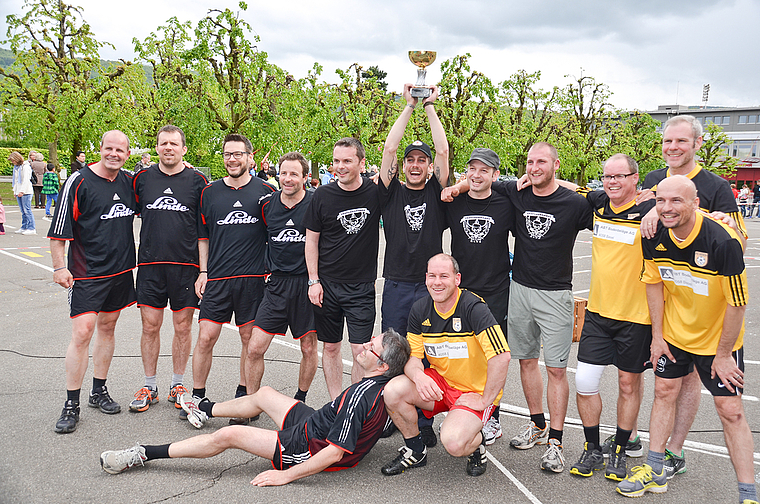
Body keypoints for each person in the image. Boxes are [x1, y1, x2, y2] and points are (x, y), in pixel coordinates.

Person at [100, 329, 411, 486]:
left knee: (230, 435)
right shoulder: (387, 388)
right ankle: (204, 409)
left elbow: (335, 453)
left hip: (307, 445)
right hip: (317, 423)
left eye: (372, 346)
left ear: (381, 365)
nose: (365, 345)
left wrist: (285, 477)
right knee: (264, 393)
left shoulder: (362, 395)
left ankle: (143, 453)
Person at [616, 175, 756, 503]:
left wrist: (723, 355)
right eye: (661, 200)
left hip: (718, 341)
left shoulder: (723, 241)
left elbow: (737, 304)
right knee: (663, 392)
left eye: (676, 201)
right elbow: (653, 284)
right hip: (675, 336)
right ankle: (654, 470)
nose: (667, 208)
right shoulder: (653, 235)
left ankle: (748, 493)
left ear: (695, 203)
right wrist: (658, 337)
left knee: (731, 410)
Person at [640, 115, 747, 478]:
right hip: (669, 298)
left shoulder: (716, 185)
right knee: (667, 385)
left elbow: (739, 241)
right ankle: (660, 454)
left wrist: (725, 223)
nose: (672, 147)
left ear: (697, 144)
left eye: (681, 142)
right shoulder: (655, 180)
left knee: (688, 384)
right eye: (668, 141)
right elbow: (640, 210)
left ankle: (675, 449)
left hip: (703, 303)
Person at [551, 154, 653, 481]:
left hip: (636, 318)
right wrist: (537, 179)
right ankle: (592, 447)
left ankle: (621, 449)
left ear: (635, 179)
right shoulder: (599, 204)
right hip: (597, 313)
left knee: (628, 383)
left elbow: (687, 210)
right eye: (607, 176)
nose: (612, 182)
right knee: (584, 381)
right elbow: (574, 188)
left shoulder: (650, 211)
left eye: (619, 177)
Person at [499, 142, 593, 473]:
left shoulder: (573, 202)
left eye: (541, 162)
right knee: (525, 361)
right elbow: (480, 180)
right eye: (529, 162)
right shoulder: (517, 193)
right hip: (520, 289)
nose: (534, 167)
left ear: (556, 164)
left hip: (556, 295)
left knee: (555, 369)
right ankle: (537, 424)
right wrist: (455, 186)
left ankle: (556, 440)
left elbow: (611, 206)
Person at [380, 253, 510, 477]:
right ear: (426, 278)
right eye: (432, 276)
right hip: (441, 384)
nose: (437, 282)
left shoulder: (473, 308)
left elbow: (502, 357)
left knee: (454, 443)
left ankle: (476, 445)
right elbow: (413, 359)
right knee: (393, 391)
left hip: (472, 390)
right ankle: (415, 450)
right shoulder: (421, 309)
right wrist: (419, 377)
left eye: (444, 276)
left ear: (457, 279)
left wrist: (486, 399)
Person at [181, 133, 275, 426]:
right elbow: (203, 237)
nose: (231, 159)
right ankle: (197, 397)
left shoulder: (266, 191)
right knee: (206, 337)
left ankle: (247, 399)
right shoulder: (210, 193)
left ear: (249, 157)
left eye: (237, 154)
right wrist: (204, 272)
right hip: (218, 280)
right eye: (227, 154)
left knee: (249, 340)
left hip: (253, 279)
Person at [48, 130, 137, 433]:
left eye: (120, 150)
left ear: (127, 154)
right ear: (99, 149)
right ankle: (71, 403)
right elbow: (58, 232)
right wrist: (60, 267)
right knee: (83, 332)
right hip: (87, 273)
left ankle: (98, 391)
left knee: (108, 328)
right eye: (108, 148)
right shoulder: (78, 181)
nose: (114, 154)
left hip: (121, 271)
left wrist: (186, 167)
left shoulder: (129, 182)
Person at [377, 84, 450, 446]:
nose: (417, 164)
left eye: (421, 160)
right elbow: (389, 147)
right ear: (404, 165)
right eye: (411, 160)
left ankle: (424, 419)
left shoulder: (437, 193)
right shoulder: (390, 191)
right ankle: (392, 412)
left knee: (426, 353)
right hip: (396, 282)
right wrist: (409, 107)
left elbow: (443, 149)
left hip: (429, 286)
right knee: (393, 350)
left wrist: (431, 107)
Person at [129, 125, 209, 415]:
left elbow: (205, 230)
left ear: (184, 149)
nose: (168, 148)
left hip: (186, 267)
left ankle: (177, 384)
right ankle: (149, 386)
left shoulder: (198, 181)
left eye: (174, 143)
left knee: (182, 327)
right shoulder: (141, 179)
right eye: (164, 143)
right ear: (157, 147)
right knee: (150, 326)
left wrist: (204, 270)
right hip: (150, 265)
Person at [439, 147, 513, 444]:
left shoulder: (507, 202)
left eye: (485, 170)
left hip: (496, 291)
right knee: (459, 354)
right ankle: (458, 407)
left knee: (492, 357)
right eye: (473, 169)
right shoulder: (454, 203)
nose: (477, 174)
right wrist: (457, 187)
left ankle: (492, 417)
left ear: (495, 174)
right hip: (462, 293)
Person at [304, 137, 382, 399]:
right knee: (331, 347)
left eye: (347, 161)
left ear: (361, 163)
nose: (340, 166)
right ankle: (336, 403)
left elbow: (392, 160)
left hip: (361, 287)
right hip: (326, 286)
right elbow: (311, 241)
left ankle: (355, 406)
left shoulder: (374, 193)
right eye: (336, 161)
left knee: (361, 352)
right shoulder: (323, 195)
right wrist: (313, 281)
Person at [246, 152, 318, 405]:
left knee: (309, 348)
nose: (287, 179)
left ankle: (300, 399)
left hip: (305, 285)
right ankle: (250, 402)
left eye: (294, 174)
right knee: (255, 348)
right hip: (276, 285)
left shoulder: (315, 203)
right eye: (283, 173)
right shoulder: (267, 204)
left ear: (305, 177)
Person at [9, 151, 36, 235]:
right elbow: (16, 181)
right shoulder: (17, 168)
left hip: (26, 191)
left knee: (27, 209)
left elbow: (25, 180)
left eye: (13, 160)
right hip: (19, 190)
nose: (13, 162)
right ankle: (24, 226)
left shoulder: (26, 167)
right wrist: (15, 191)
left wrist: (22, 191)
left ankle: (31, 227)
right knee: (22, 210)